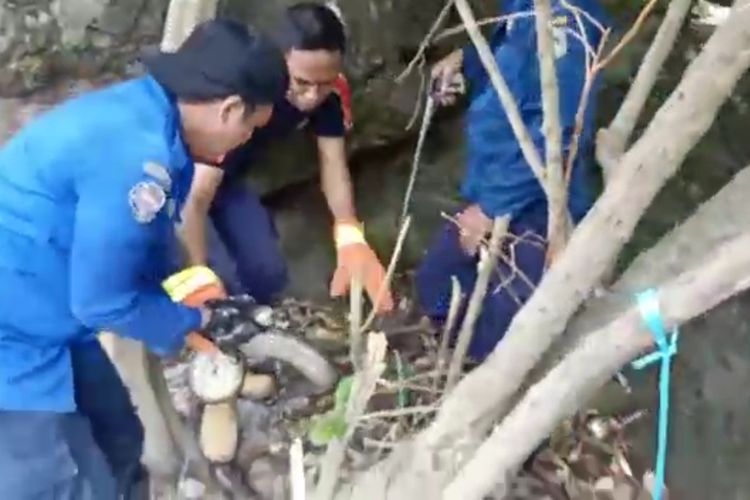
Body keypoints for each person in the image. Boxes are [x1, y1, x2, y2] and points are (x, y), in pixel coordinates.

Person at [0, 19, 287, 499]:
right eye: (251, 130)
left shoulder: (152, 118)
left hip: (50, 313)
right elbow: (102, 302)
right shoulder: (139, 159)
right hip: (14, 336)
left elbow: (136, 245)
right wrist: (189, 318)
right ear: (231, 110)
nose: (245, 144)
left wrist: (191, 297)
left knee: (122, 441)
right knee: (58, 483)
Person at [416, 0, 610, 361]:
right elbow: (513, 56)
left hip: (535, 204)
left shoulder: (567, 20)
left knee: (499, 336)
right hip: (494, 182)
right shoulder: (525, 7)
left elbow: (563, 133)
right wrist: (467, 62)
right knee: (436, 286)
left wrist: (491, 208)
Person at [178, 2, 394, 312]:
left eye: (325, 83)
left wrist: (348, 232)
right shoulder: (244, 95)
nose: (312, 97)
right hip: (185, 181)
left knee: (268, 275)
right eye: (302, 83)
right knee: (223, 284)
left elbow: (333, 163)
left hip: (228, 181)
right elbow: (194, 198)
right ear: (277, 61)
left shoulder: (329, 95)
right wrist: (196, 280)